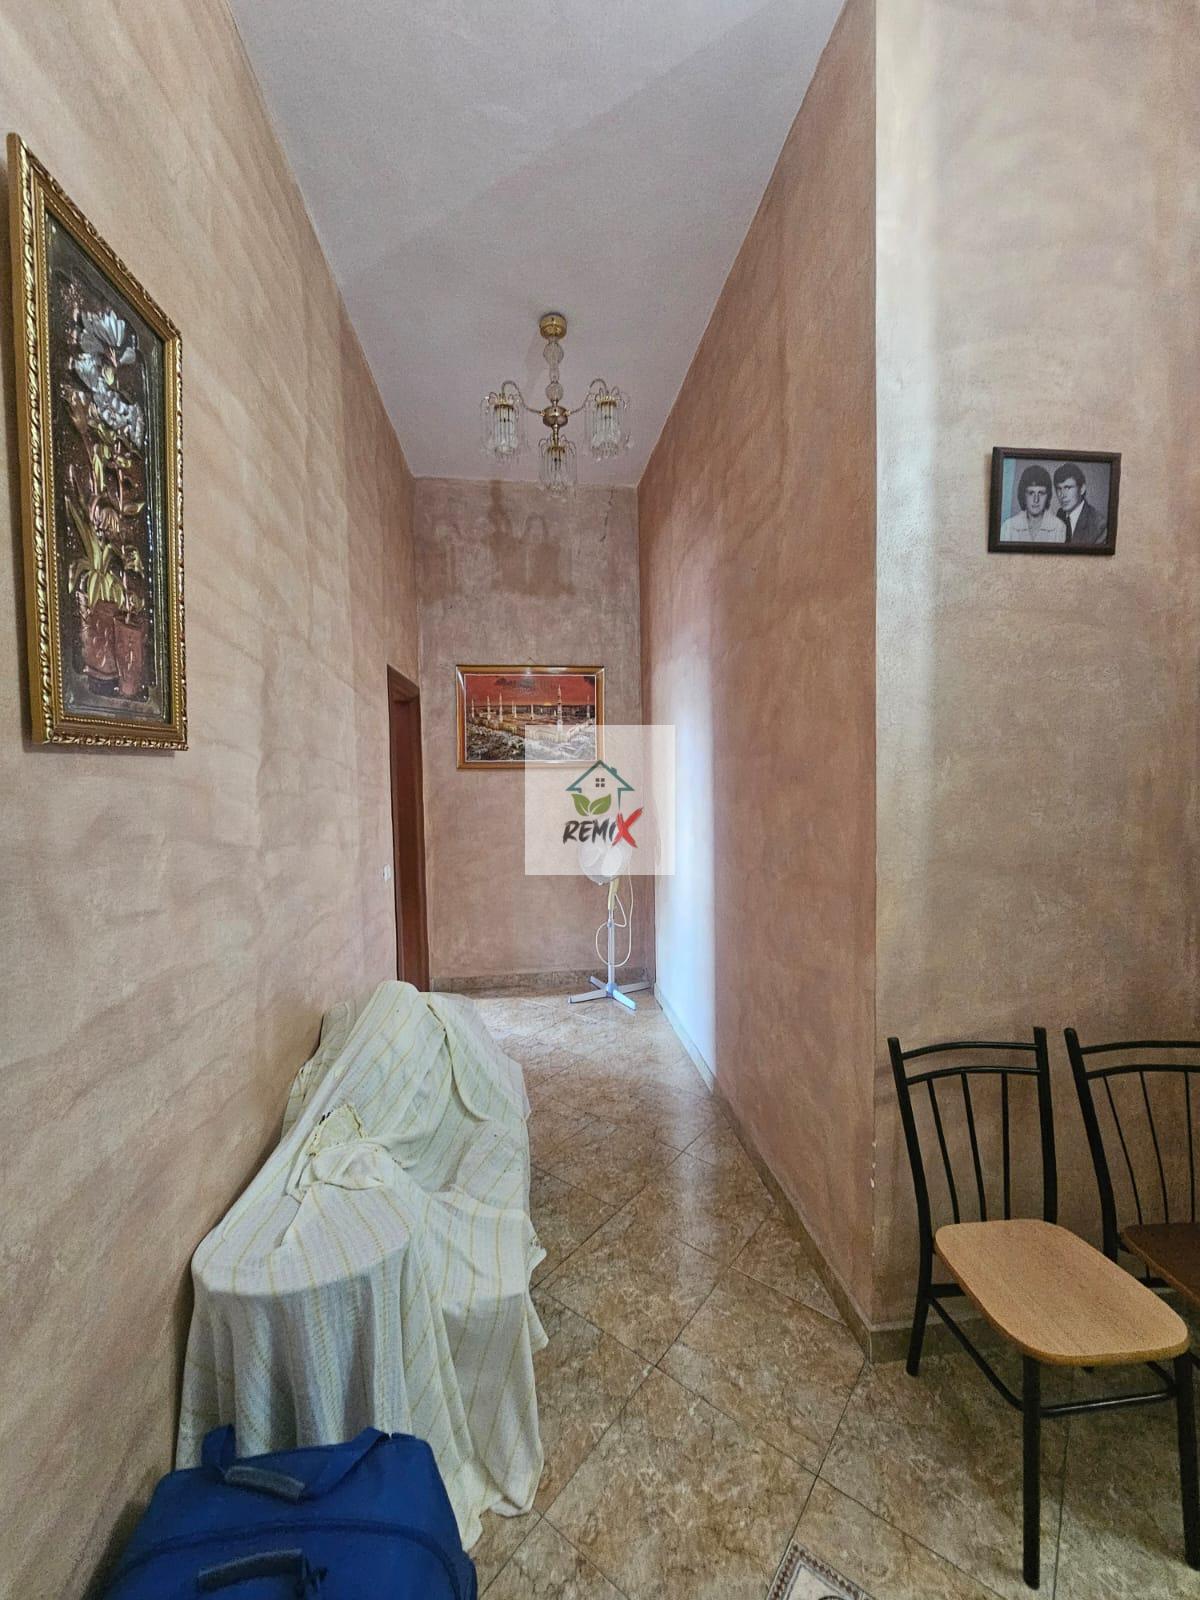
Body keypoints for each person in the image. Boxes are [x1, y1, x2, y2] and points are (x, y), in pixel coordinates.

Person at [999, 464, 1065, 542]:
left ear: (1048, 496)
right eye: (1031, 493)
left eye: (1041, 493)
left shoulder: (1059, 528)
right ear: (1023, 495)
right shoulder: (1008, 527)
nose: (1036, 500)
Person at [1053, 462, 1107, 546]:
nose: (1062, 495)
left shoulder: (1099, 525)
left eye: (1068, 488)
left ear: (1082, 489)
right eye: (1059, 488)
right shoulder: (1060, 514)